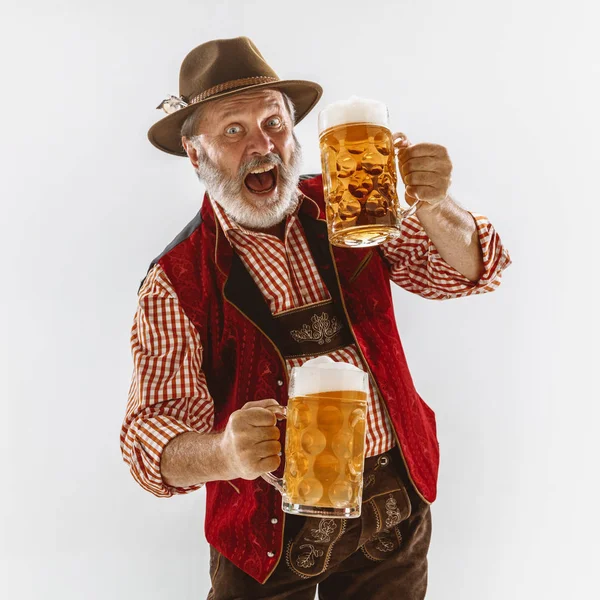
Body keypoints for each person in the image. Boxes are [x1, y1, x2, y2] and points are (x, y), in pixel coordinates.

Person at [120, 36, 512, 600]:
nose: (263, 146)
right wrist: (225, 454)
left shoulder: (352, 200)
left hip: (391, 510)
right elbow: (148, 439)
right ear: (195, 152)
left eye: (273, 123)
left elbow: (469, 272)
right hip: (267, 533)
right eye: (234, 130)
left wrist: (434, 203)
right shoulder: (177, 281)